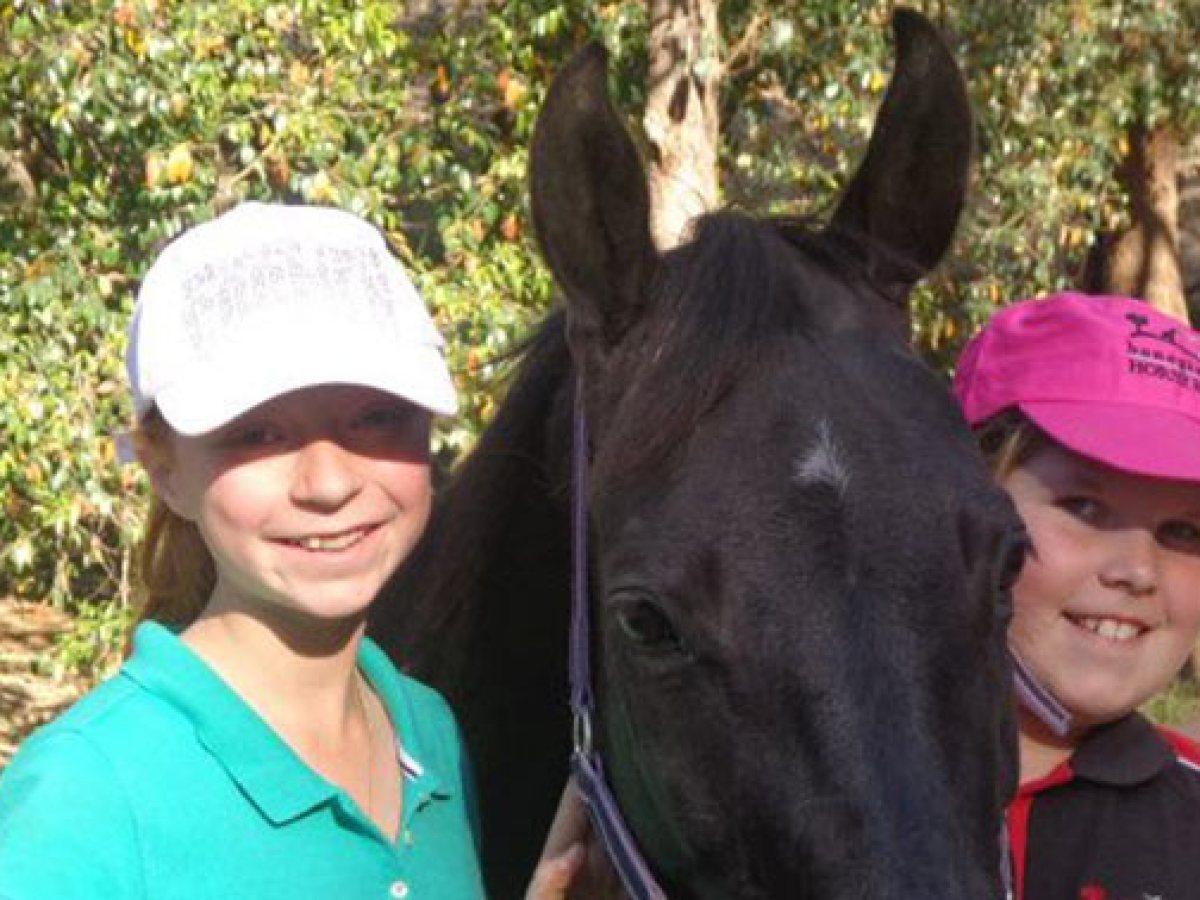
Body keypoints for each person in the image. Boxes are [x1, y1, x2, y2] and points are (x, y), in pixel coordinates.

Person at [0, 202, 573, 899]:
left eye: (376, 418)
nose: (329, 483)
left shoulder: (428, 734)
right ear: (164, 470)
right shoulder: (86, 799)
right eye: (258, 434)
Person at [953, 291, 1200, 900]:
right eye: (1084, 507)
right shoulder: (791, 789)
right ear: (955, 504)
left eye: (1184, 531)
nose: (1138, 570)